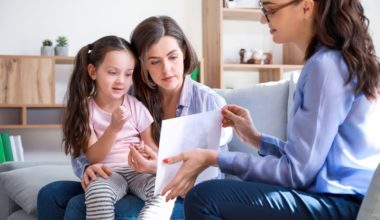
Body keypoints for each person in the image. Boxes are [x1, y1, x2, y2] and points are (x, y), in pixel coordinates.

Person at [161, 0, 380, 219]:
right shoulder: (332, 61)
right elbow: (306, 160)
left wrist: (214, 158)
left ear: (306, 6)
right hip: (340, 200)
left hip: (341, 205)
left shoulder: (325, 66)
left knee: (204, 198)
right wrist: (256, 139)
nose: (262, 19)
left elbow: (296, 174)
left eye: (270, 10)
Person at [38, 16, 231, 220]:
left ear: (183, 52)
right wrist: (88, 167)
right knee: (51, 195)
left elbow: (213, 171)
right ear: (142, 64)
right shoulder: (129, 95)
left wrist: (157, 167)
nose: (166, 69)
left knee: (80, 206)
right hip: (120, 174)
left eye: (173, 57)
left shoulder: (208, 103)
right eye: (154, 61)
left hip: (185, 193)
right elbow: (85, 149)